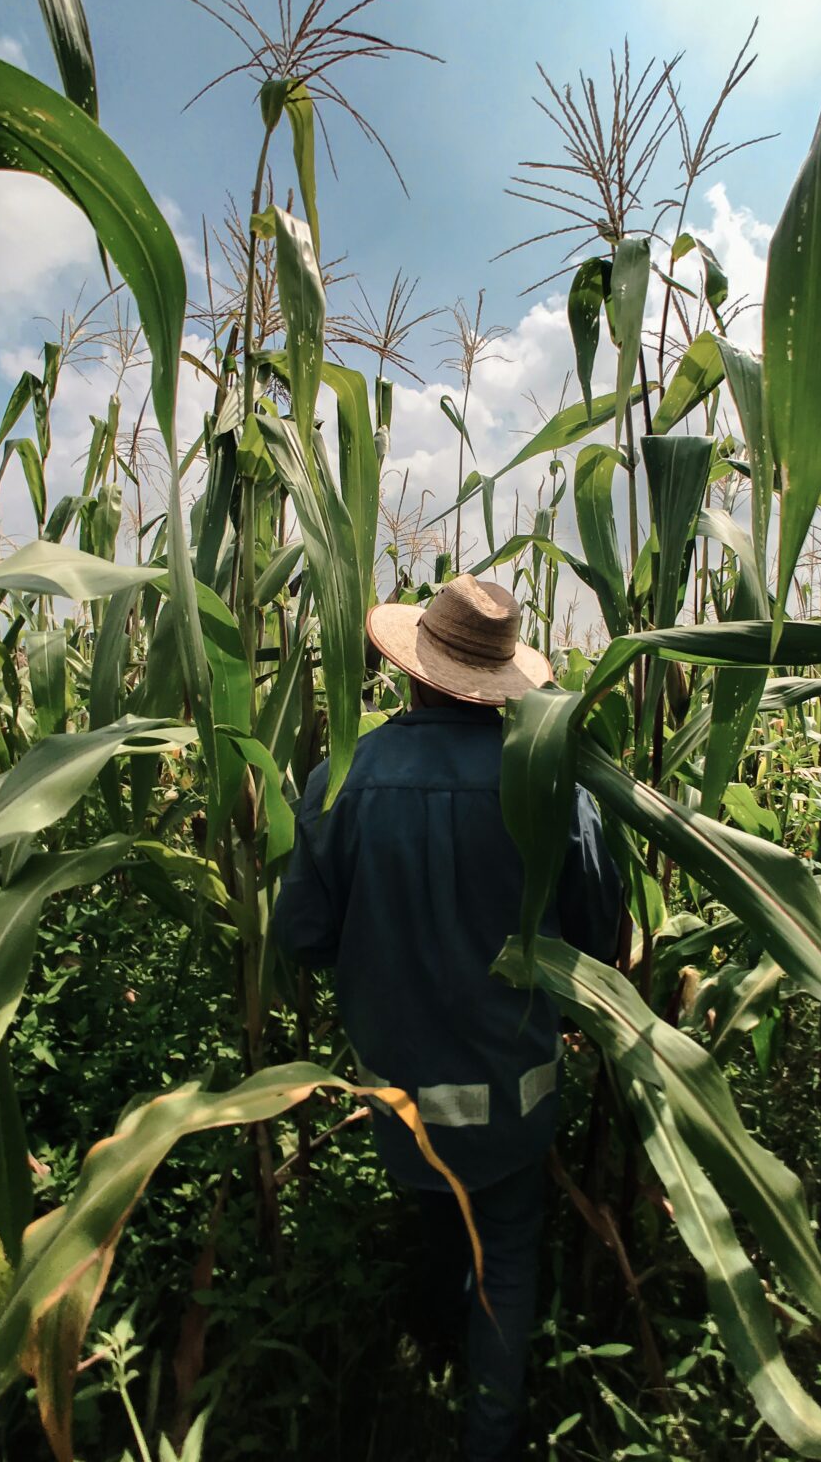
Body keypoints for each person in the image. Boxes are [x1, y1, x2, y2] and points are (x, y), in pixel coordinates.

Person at [273, 573, 622, 1462]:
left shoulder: (339, 780)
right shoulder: (548, 786)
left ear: (413, 669)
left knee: (438, 1213)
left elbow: (303, 936)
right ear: (503, 679)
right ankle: (488, 1437)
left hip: (403, 1103)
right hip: (514, 1098)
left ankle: (426, 1352)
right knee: (504, 1257)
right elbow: (600, 942)